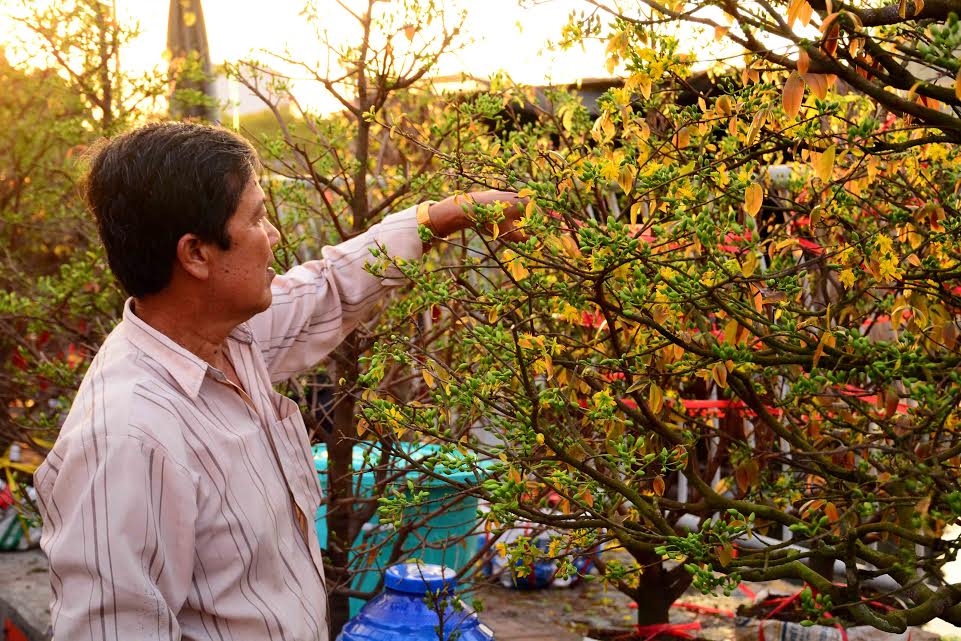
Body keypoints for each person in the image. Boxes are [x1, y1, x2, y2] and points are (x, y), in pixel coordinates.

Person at [32, 121, 524, 641]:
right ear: (196, 253)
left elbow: (331, 285)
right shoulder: (130, 436)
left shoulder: (228, 340)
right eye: (258, 217)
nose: (273, 237)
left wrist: (448, 215)